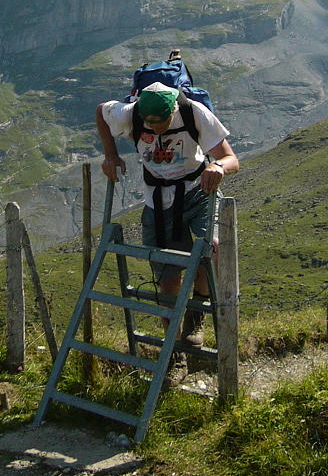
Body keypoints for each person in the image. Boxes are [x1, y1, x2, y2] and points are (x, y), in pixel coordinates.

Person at [96, 81, 239, 385]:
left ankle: (195, 319)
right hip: (158, 201)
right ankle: (175, 356)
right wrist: (111, 156)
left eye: (162, 124)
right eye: (150, 126)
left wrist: (220, 168)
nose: (156, 131)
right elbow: (100, 112)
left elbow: (231, 158)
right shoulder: (129, 112)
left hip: (198, 191)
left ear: (174, 109)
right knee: (167, 278)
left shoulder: (193, 112)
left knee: (209, 249)